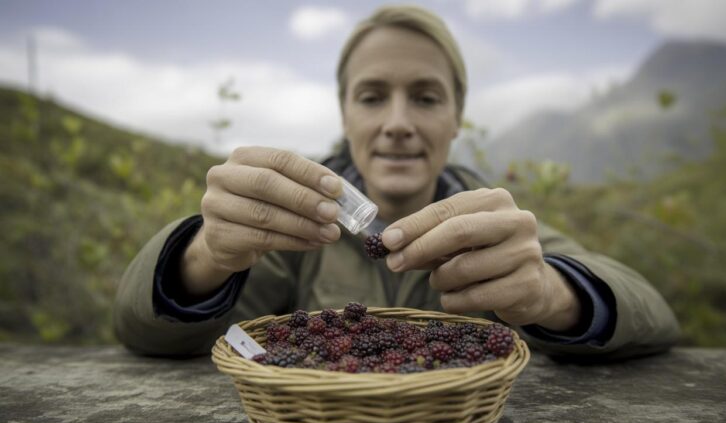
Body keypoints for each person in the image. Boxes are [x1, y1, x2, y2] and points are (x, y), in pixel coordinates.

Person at [114, 5, 680, 360]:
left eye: (427, 97)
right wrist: (203, 255)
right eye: (372, 96)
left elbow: (653, 314)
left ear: (457, 117)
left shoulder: (489, 229)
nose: (399, 123)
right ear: (345, 115)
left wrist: (552, 294)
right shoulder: (296, 238)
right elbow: (146, 333)